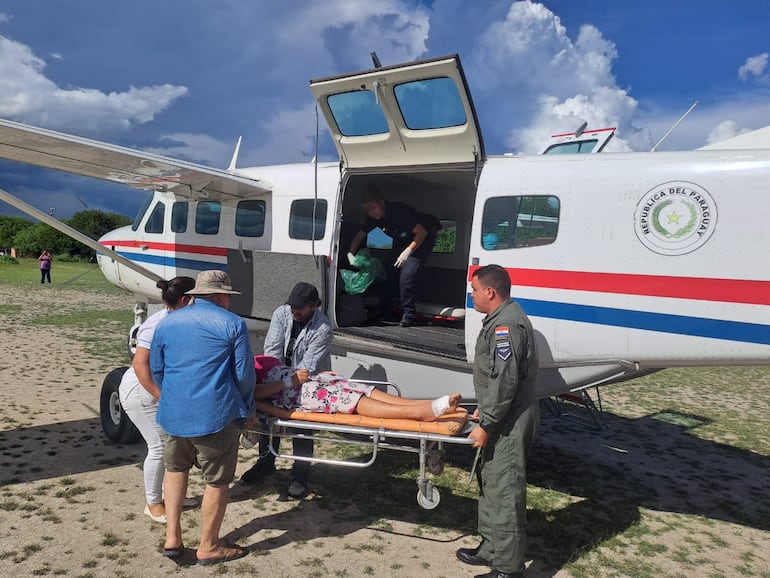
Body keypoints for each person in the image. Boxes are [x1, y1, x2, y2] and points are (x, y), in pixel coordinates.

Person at [150, 270, 256, 565]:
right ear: (222, 296)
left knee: (175, 470)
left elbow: (158, 369)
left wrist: (172, 396)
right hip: (215, 414)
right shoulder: (233, 323)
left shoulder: (168, 322)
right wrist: (247, 408)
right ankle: (208, 545)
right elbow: (244, 375)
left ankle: (173, 537)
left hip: (172, 413)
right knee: (217, 481)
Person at [456, 264, 539, 578]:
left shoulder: (506, 326)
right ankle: (491, 548)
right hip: (501, 414)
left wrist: (487, 423)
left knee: (504, 489)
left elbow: (505, 382)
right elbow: (496, 381)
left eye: (475, 290)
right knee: (491, 482)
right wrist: (485, 408)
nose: (472, 296)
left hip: (509, 421)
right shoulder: (500, 320)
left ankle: (507, 568)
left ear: (490, 291)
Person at [240, 282, 332, 499]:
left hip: (305, 383)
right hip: (279, 376)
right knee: (267, 421)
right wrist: (277, 382)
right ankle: (265, 462)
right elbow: (272, 351)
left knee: (301, 427)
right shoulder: (282, 313)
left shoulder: (323, 328)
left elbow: (307, 368)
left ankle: (301, 475)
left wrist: (286, 385)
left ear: (314, 306)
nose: (294, 311)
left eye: (300, 308)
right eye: (292, 306)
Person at [118, 276, 197, 523]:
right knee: (159, 447)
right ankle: (153, 503)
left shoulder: (178, 319)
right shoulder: (158, 323)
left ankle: (170, 495)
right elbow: (139, 364)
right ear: (186, 299)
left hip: (157, 390)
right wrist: (161, 396)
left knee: (172, 446)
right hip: (142, 390)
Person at [253, 355, 462, 419]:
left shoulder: (250, 359)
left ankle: (429, 405)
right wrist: (291, 384)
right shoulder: (241, 375)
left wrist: (317, 375)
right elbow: (254, 395)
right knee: (353, 400)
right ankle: (422, 412)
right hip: (299, 394)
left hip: (309, 382)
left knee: (363, 388)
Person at [347, 184, 438, 327]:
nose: (372, 212)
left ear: (381, 202)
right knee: (389, 270)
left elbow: (422, 232)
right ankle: (384, 310)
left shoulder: (398, 212)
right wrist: (350, 255)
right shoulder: (374, 219)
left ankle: (409, 314)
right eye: (368, 210)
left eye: (373, 207)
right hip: (404, 240)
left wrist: (408, 252)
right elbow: (359, 236)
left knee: (406, 276)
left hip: (422, 239)